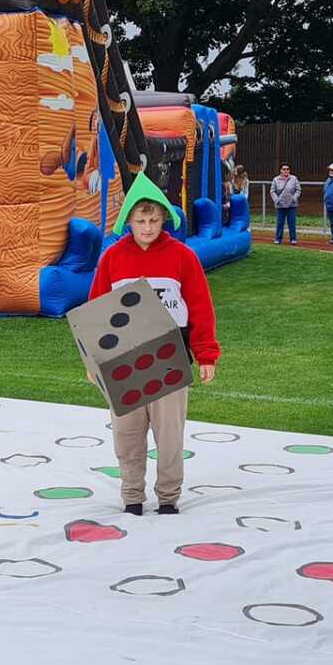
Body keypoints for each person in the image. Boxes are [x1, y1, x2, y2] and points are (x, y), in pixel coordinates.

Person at [88, 173, 220, 516]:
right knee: (127, 433)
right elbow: (97, 310)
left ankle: (168, 497)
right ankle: (132, 495)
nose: (147, 228)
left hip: (170, 357)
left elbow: (200, 308)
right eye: (141, 221)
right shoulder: (112, 258)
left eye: (154, 220)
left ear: (164, 220)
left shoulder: (183, 257)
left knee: (169, 434)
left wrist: (206, 354)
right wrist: (93, 360)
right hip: (122, 359)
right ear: (129, 221)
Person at [270, 163, 300, 244]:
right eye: (284, 169)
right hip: (280, 205)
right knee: (280, 223)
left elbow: (298, 190)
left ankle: (293, 239)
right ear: (280, 170)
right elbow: (272, 191)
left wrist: (294, 198)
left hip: (291, 205)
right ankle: (278, 239)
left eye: (287, 169)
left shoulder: (294, 178)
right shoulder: (276, 179)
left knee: (292, 223)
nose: (286, 171)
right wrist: (276, 200)